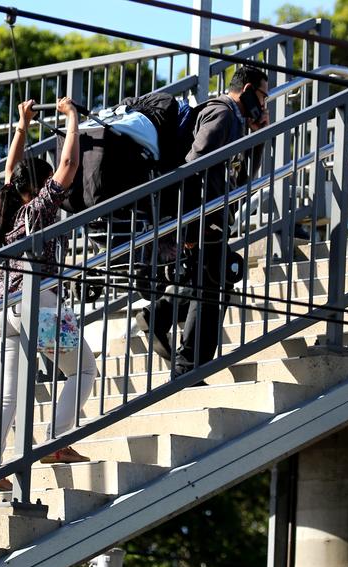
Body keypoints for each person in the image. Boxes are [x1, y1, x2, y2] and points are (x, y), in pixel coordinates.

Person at [0, 97, 97, 493]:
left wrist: (22, 126)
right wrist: (73, 119)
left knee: (8, 395)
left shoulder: (8, 209)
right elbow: (69, 166)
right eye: (45, 184)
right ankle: (57, 441)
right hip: (40, 306)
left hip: (2, 309)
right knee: (84, 368)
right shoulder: (38, 211)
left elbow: (11, 172)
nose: (54, 189)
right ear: (38, 189)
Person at [135, 66, 269, 379]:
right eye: (262, 97)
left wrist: (259, 135)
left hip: (211, 216)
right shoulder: (222, 114)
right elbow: (195, 165)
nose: (263, 105)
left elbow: (242, 177)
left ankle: (160, 315)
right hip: (202, 217)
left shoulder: (234, 121)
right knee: (212, 284)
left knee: (208, 280)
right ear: (248, 90)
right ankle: (188, 367)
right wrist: (192, 225)